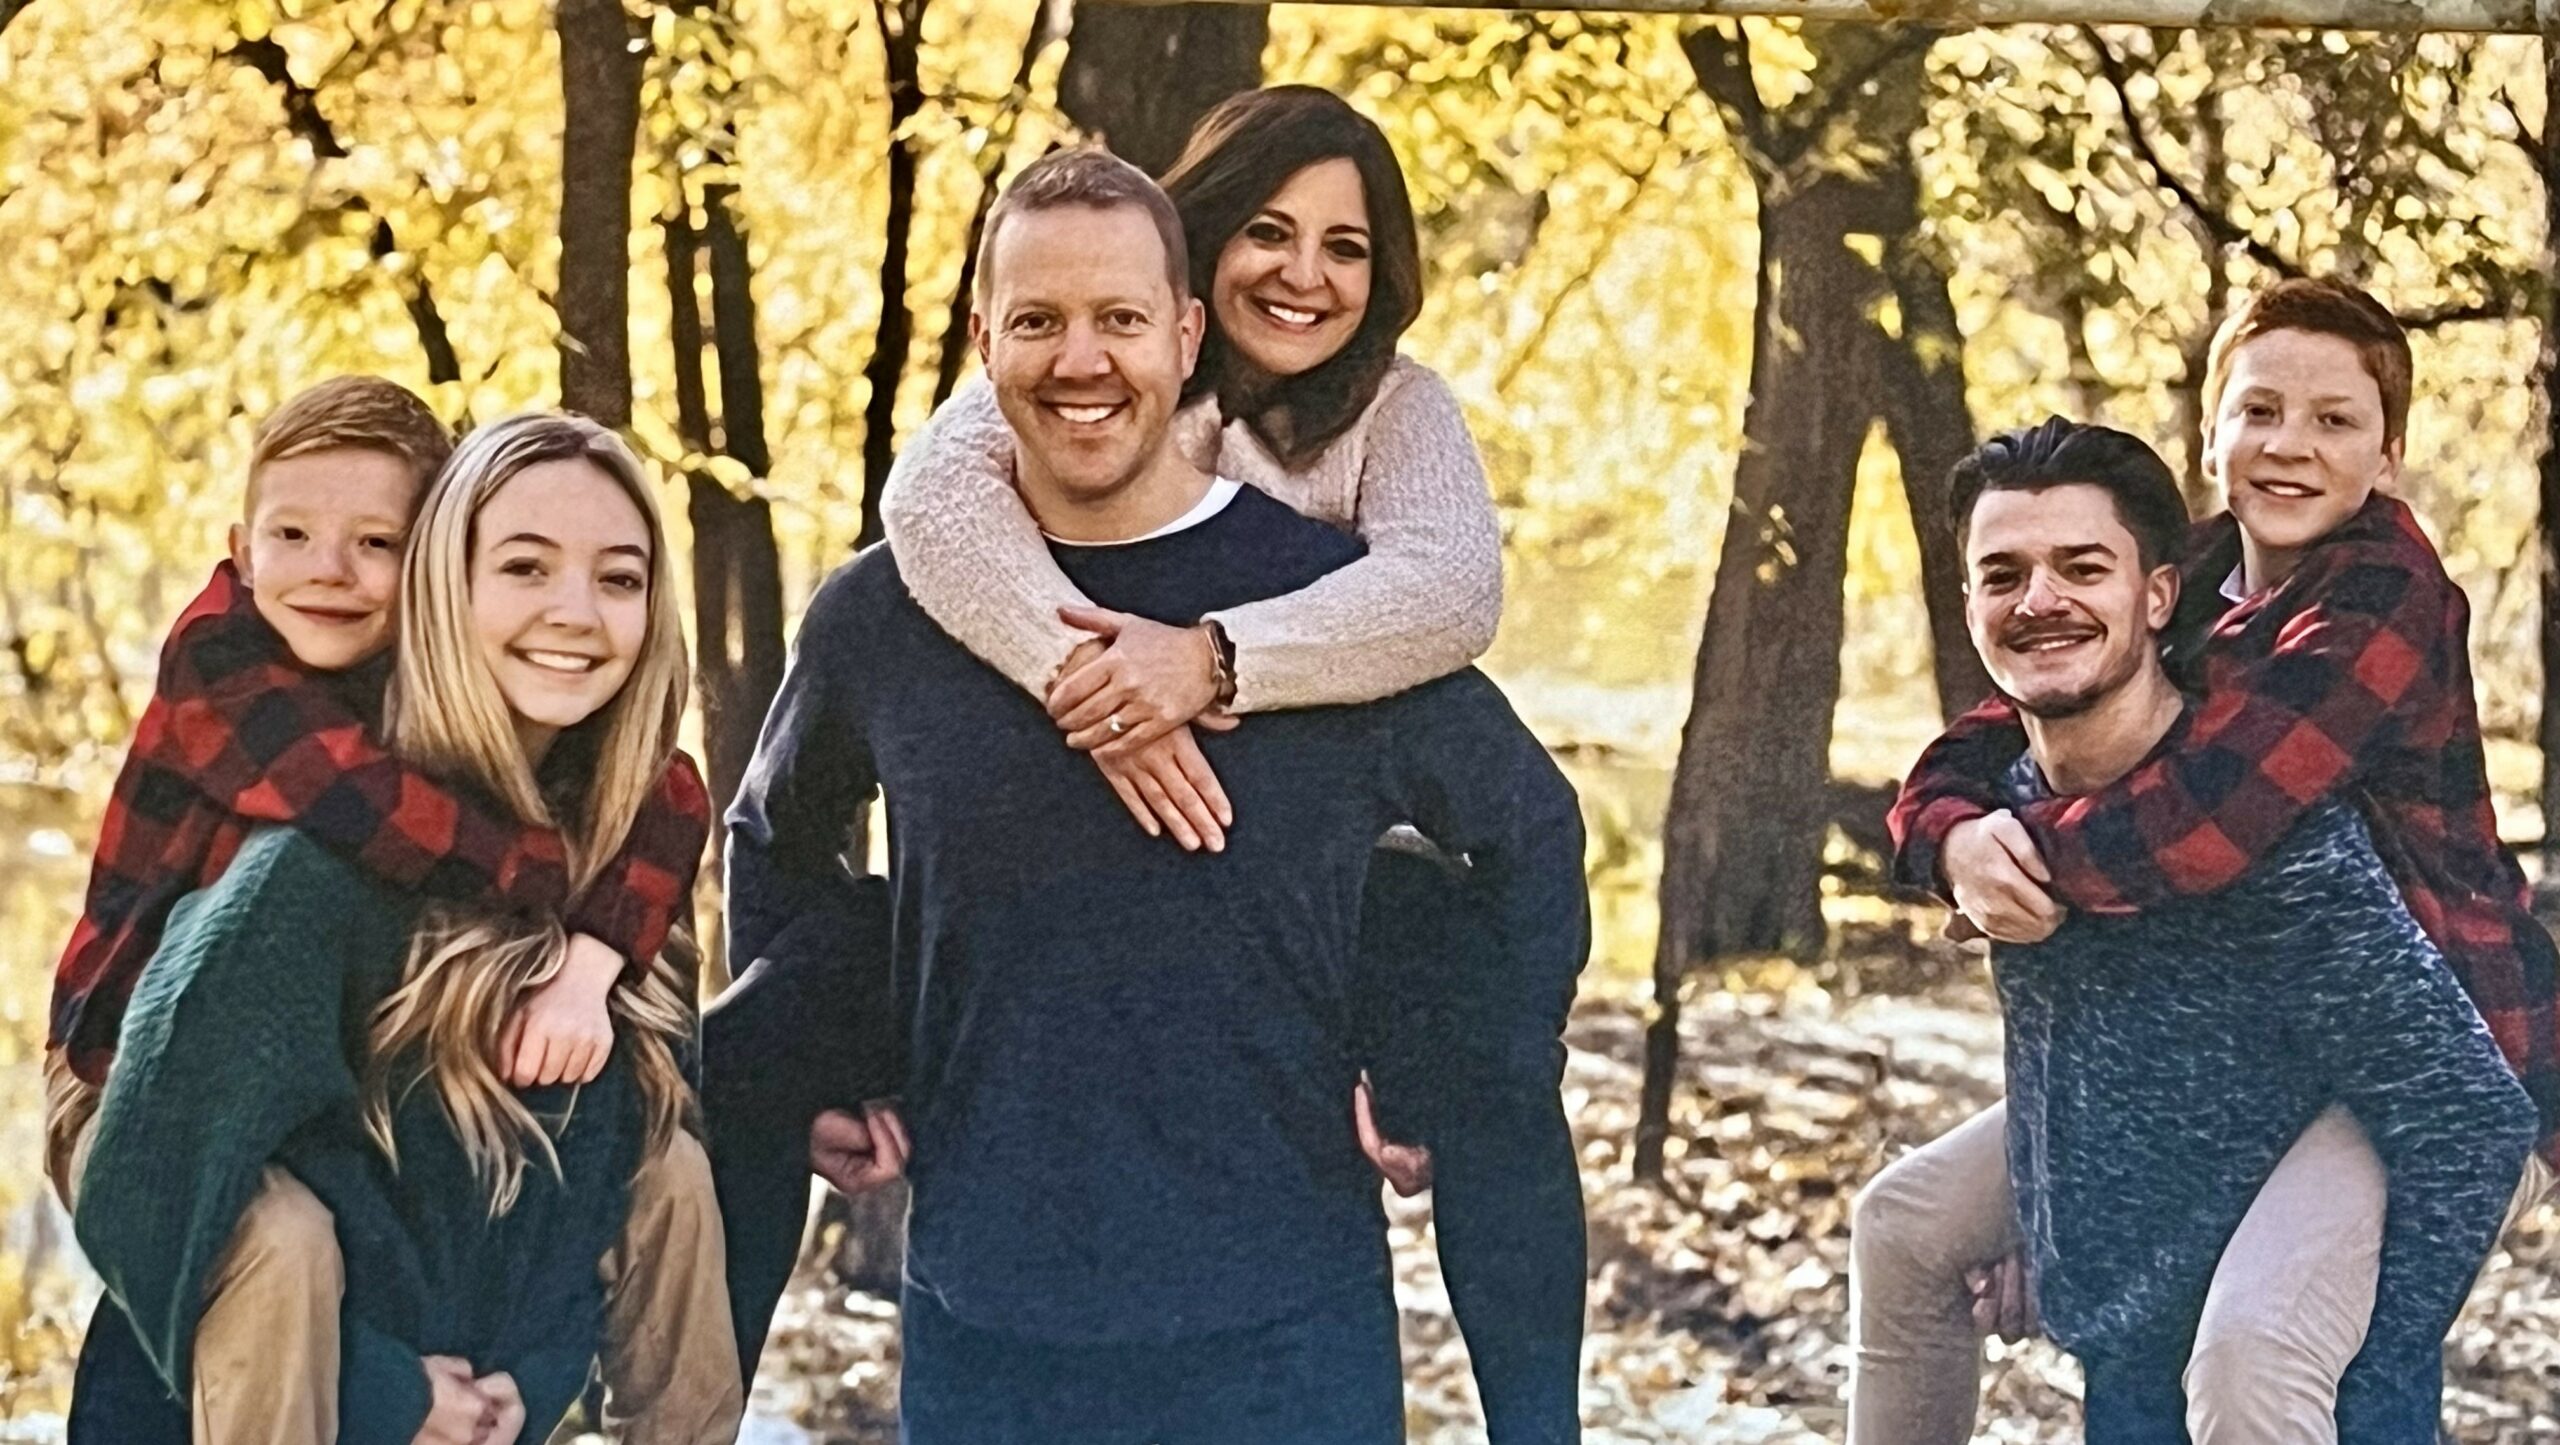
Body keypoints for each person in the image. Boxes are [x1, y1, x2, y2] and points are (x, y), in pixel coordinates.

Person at [726, 147, 1588, 1445]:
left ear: (1186, 336)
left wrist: (1457, 1068)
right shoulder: (884, 615)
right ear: (982, 340)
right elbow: (776, 832)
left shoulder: (1328, 604)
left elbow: (1529, 836)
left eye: (1122, 319)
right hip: (986, 1331)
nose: (1084, 360)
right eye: (1040, 321)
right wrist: (827, 1076)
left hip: (1286, 1340)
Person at [1863, 278, 2560, 1443]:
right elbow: (2004, 723)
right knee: (1907, 1224)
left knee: (2261, 1352)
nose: (2289, 446)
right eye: (2260, 412)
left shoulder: (2384, 594)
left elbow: (2206, 815)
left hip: (2456, 1048)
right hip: (2275, 1040)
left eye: (2334, 420)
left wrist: (2013, 866)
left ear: (2389, 455)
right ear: (2212, 433)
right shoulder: (2181, 574)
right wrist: (1946, 836)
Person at [65, 410, 740, 1445]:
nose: (576, 611)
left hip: (461, 1372)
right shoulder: (317, 844)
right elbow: (148, 1196)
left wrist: (533, 1373)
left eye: (619, 576)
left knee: (673, 1169)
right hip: (132, 1090)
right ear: (445, 584)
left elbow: (587, 1179)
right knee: (279, 1235)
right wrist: (387, 1391)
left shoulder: (618, 855)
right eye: (523, 565)